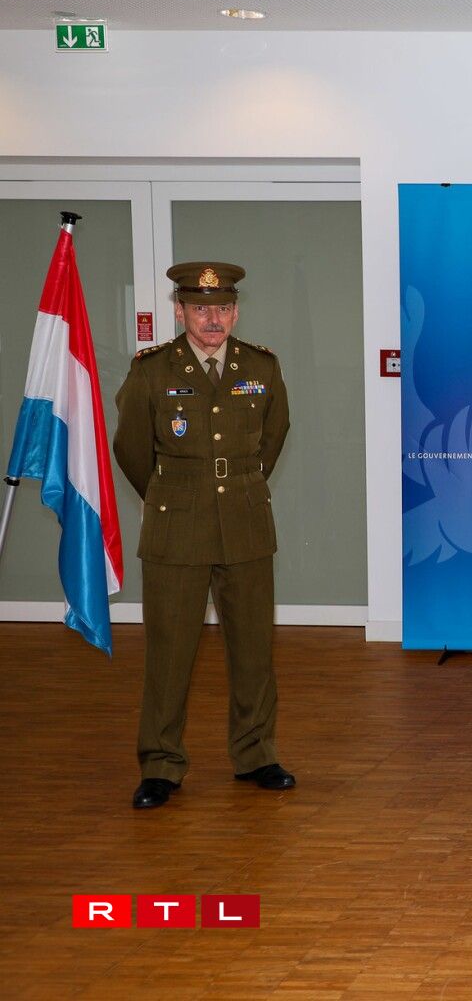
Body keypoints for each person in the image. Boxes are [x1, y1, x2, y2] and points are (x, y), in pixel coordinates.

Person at [113, 262, 293, 809]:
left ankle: (256, 753)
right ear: (180, 312)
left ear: (235, 312)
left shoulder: (261, 365)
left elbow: (274, 435)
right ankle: (160, 764)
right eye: (199, 309)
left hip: (245, 520)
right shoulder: (151, 369)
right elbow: (131, 449)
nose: (212, 319)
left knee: (253, 649)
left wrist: (238, 484)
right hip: (177, 525)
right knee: (169, 653)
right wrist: (172, 494)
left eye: (222, 309)